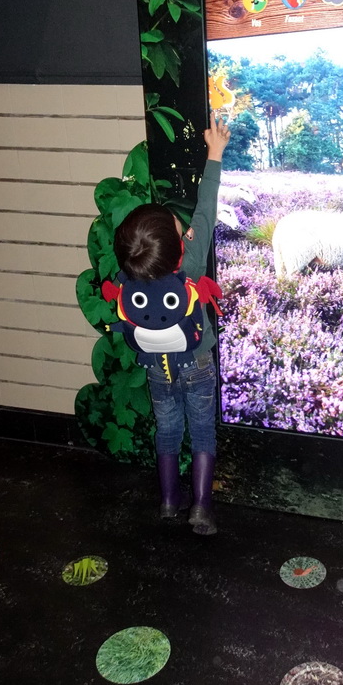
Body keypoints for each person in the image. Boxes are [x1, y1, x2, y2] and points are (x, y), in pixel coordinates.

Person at [113, 112, 230, 535]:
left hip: (156, 370)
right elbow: (207, 208)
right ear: (178, 243)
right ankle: (201, 507)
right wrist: (214, 153)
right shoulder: (191, 263)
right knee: (202, 433)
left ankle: (167, 501)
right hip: (197, 363)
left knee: (167, 430)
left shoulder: (128, 275)